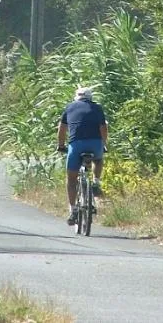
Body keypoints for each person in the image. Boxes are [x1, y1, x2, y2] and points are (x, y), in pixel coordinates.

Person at [57, 87, 108, 226]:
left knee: (71, 179)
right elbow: (103, 128)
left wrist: (61, 145)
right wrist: (103, 145)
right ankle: (96, 182)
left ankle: (73, 210)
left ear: (76, 97)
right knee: (98, 159)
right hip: (95, 144)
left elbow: (61, 129)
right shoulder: (97, 108)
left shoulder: (69, 107)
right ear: (90, 97)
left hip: (76, 145)